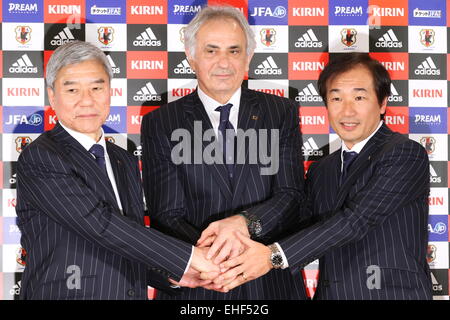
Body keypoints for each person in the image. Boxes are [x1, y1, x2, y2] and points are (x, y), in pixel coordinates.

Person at [214, 53, 433, 300]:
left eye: (359, 97)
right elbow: (296, 223)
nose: (347, 110)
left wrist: (272, 256)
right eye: (336, 98)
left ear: (382, 103)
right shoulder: (321, 169)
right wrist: (244, 226)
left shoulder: (404, 153)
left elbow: (356, 220)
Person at [15, 41, 219, 300]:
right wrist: (187, 258)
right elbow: (100, 224)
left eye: (97, 88)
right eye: (72, 90)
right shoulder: (42, 157)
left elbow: (125, 237)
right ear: (53, 97)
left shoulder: (123, 159)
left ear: (110, 91)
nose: (86, 101)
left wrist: (169, 273)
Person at [141, 6, 307, 300]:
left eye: (234, 51)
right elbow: (167, 213)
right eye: (211, 51)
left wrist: (244, 224)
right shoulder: (161, 122)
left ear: (248, 56)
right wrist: (220, 257)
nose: (224, 62)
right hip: (200, 283)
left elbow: (291, 196)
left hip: (269, 282)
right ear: (191, 56)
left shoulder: (281, 112)